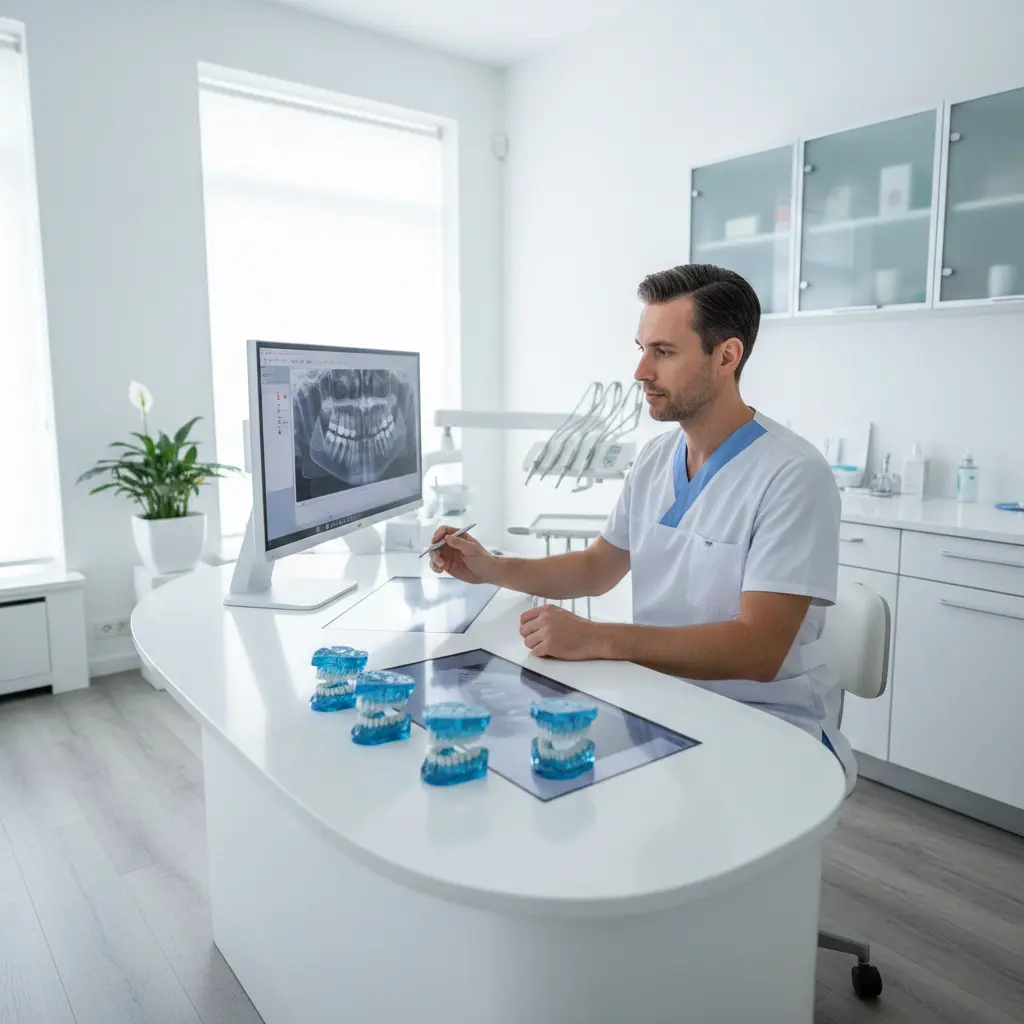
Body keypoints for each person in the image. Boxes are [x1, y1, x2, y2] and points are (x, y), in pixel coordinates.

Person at [428, 263, 843, 753]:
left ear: (727, 355)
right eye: (642, 350)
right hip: (662, 699)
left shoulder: (792, 474)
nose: (640, 372)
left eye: (663, 352)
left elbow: (758, 650)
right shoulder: (655, 458)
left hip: (762, 723)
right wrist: (491, 567)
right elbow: (597, 568)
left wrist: (598, 638)